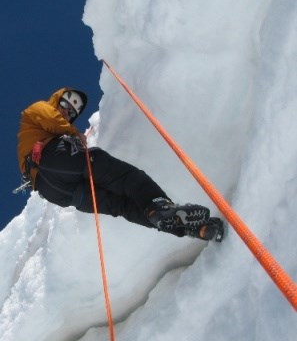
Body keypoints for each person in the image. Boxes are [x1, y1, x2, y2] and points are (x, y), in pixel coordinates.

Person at [17, 87, 224, 241]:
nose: (67, 112)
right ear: (56, 99)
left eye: (72, 112)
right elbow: (49, 117)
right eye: (65, 105)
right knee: (121, 175)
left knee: (120, 205)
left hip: (57, 191)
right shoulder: (38, 109)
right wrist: (74, 132)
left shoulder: (53, 129)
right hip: (54, 160)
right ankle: (160, 205)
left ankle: (194, 229)